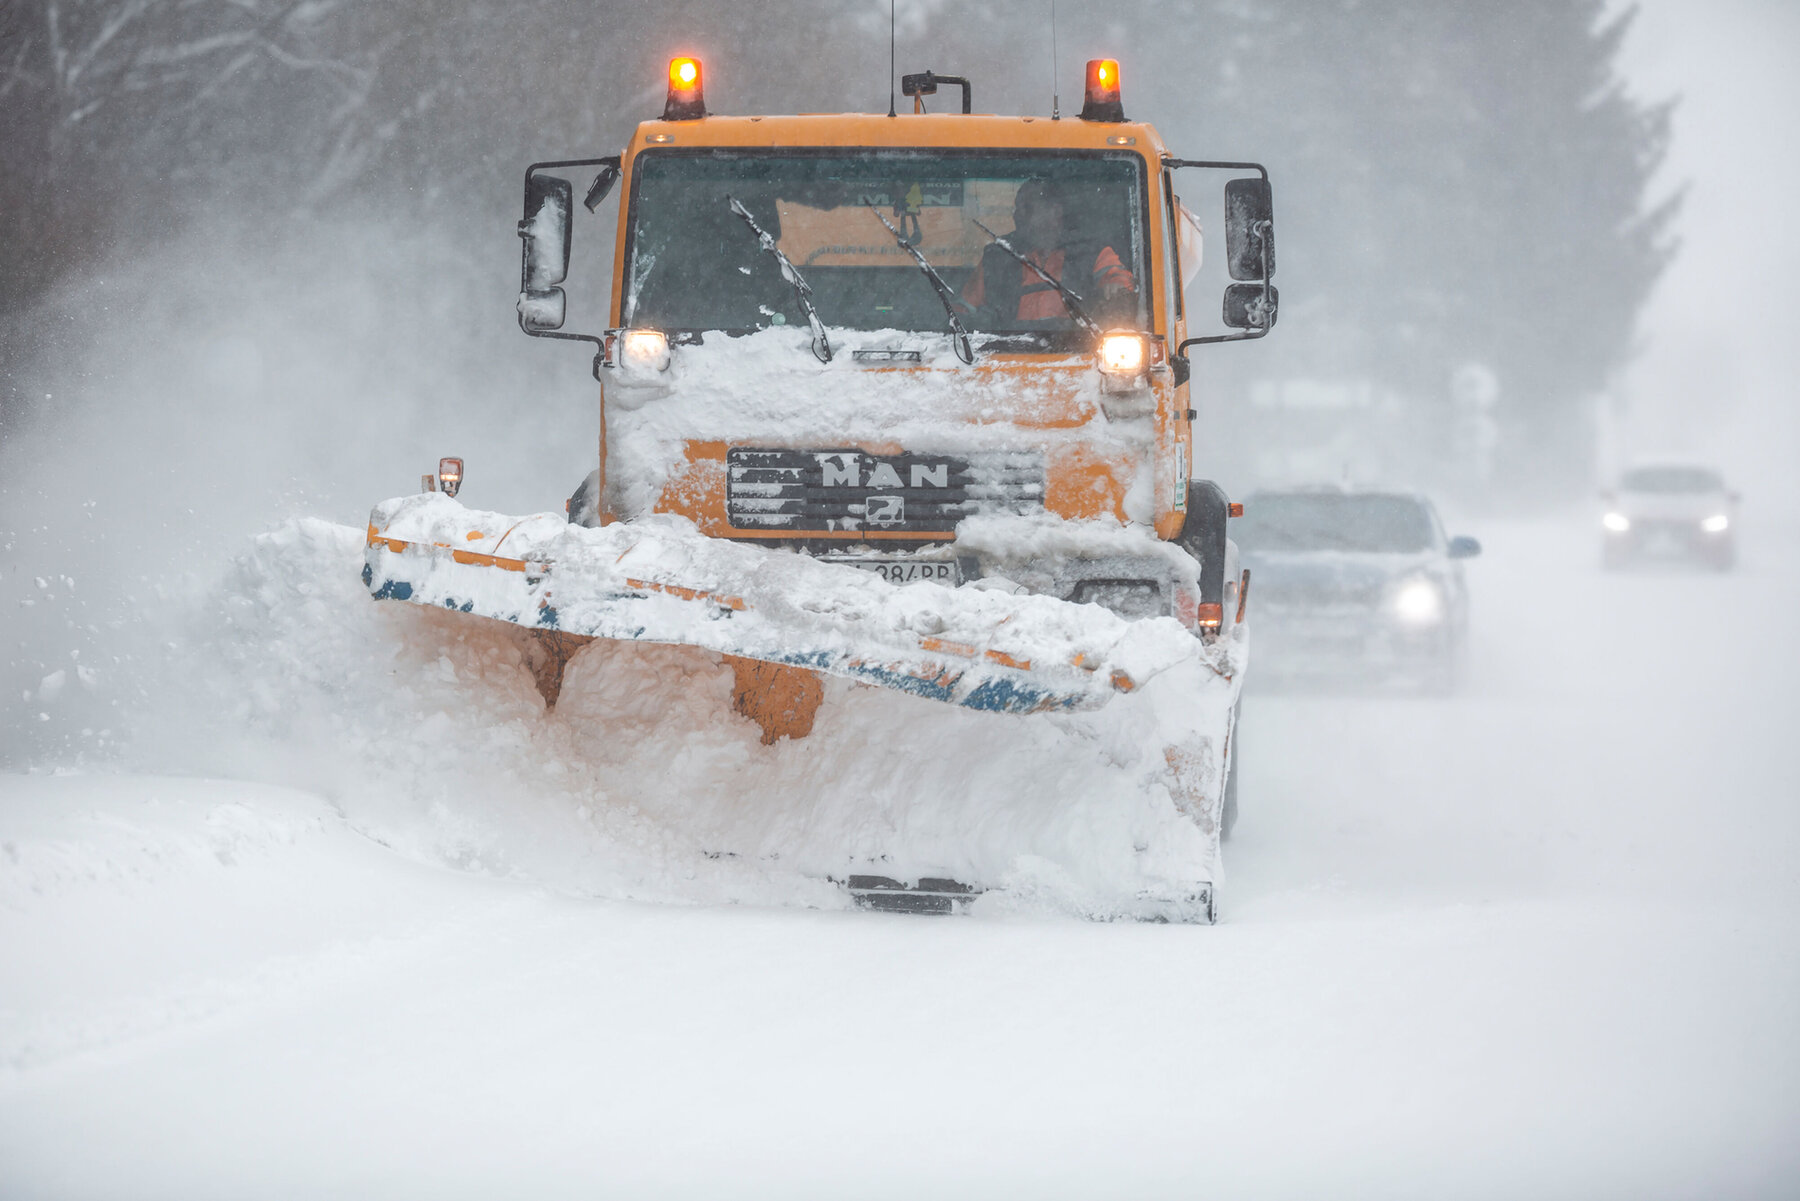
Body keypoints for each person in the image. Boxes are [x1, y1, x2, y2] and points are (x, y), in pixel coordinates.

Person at [960, 179, 1136, 328]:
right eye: (1016, 209)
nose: (1017, 215)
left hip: (1075, 351)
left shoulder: (1092, 252)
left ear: (1055, 211)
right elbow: (964, 308)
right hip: (1006, 355)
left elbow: (1118, 279)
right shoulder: (997, 257)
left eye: (1027, 208)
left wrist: (1116, 286)